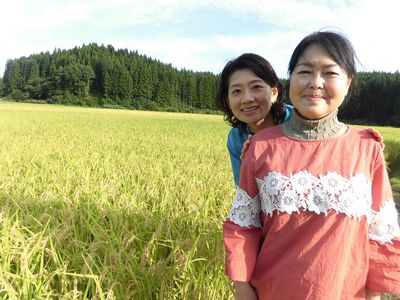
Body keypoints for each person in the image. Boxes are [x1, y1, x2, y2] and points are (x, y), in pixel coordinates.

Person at [224, 31, 400, 300]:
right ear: (290, 79)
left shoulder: (367, 148)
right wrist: (242, 288)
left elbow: (380, 232)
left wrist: (373, 294)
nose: (315, 83)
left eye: (330, 73)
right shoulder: (258, 146)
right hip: (273, 291)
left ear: (348, 83)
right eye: (304, 72)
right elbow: (244, 226)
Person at [216, 53, 293, 187]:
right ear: (228, 101)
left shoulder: (298, 120)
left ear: (274, 93)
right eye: (237, 91)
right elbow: (244, 192)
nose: (247, 99)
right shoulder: (237, 138)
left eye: (256, 87)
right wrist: (249, 166)